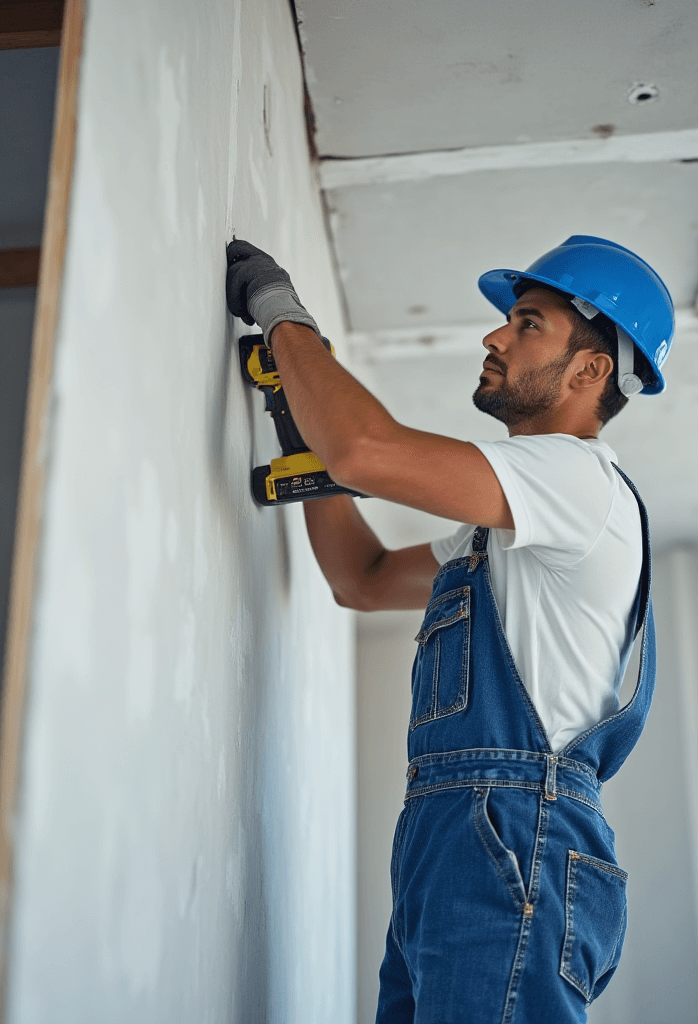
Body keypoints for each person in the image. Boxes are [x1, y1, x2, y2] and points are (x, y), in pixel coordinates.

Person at [226, 235, 674, 1024]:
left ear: (591, 369)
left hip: (512, 830)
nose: (494, 336)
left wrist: (282, 316)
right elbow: (359, 580)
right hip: (462, 833)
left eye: (527, 323)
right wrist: (302, 437)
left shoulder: (577, 479)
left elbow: (365, 450)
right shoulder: (499, 535)